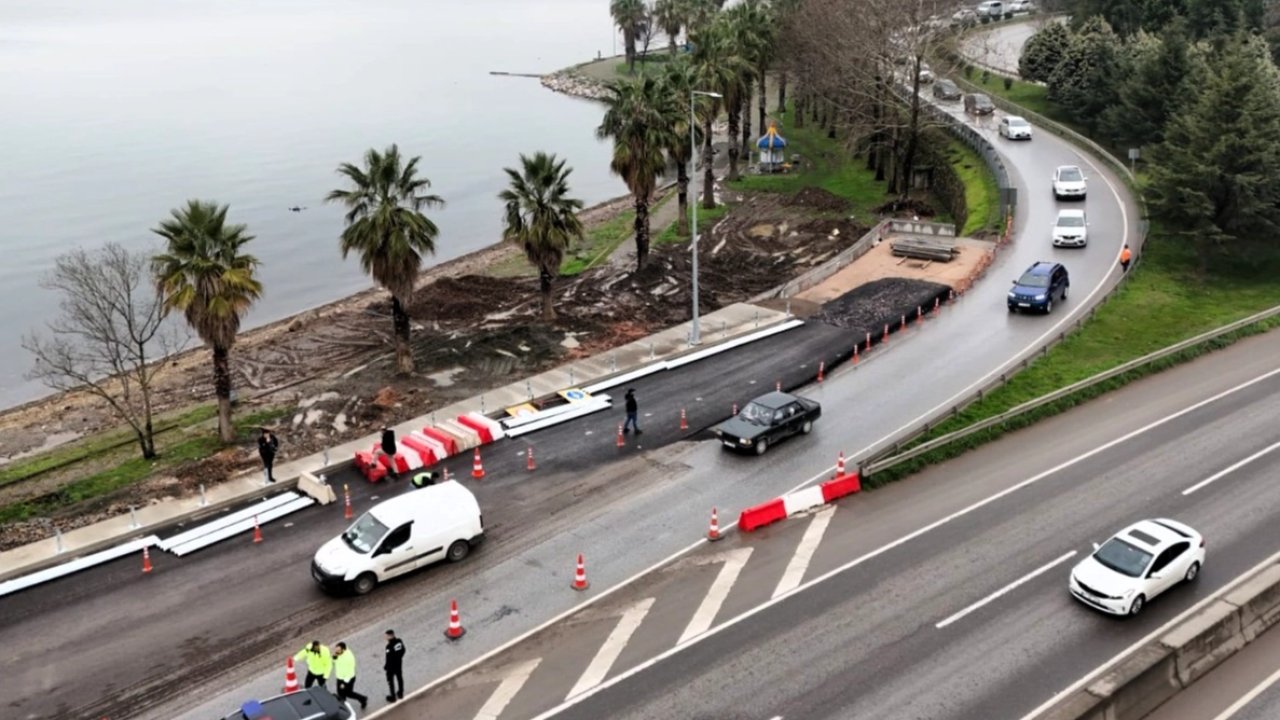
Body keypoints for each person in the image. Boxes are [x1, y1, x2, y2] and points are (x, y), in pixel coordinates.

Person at [332, 642, 369, 710]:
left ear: (343, 649)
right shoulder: (338, 654)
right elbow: (335, 662)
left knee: (342, 694)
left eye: (338, 650)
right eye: (336, 650)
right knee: (348, 693)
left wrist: (344, 683)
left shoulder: (348, 657)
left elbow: (350, 671)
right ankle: (363, 699)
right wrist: (334, 658)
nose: (336, 651)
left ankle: (344, 709)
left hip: (347, 679)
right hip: (340, 677)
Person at [384, 629, 405, 702]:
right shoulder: (399, 641)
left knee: (390, 681)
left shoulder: (389, 646)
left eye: (386, 636)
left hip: (391, 667)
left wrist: (386, 666)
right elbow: (403, 650)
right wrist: (399, 658)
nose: (385, 637)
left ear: (390, 636)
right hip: (399, 664)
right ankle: (400, 693)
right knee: (399, 678)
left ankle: (393, 697)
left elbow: (388, 658)